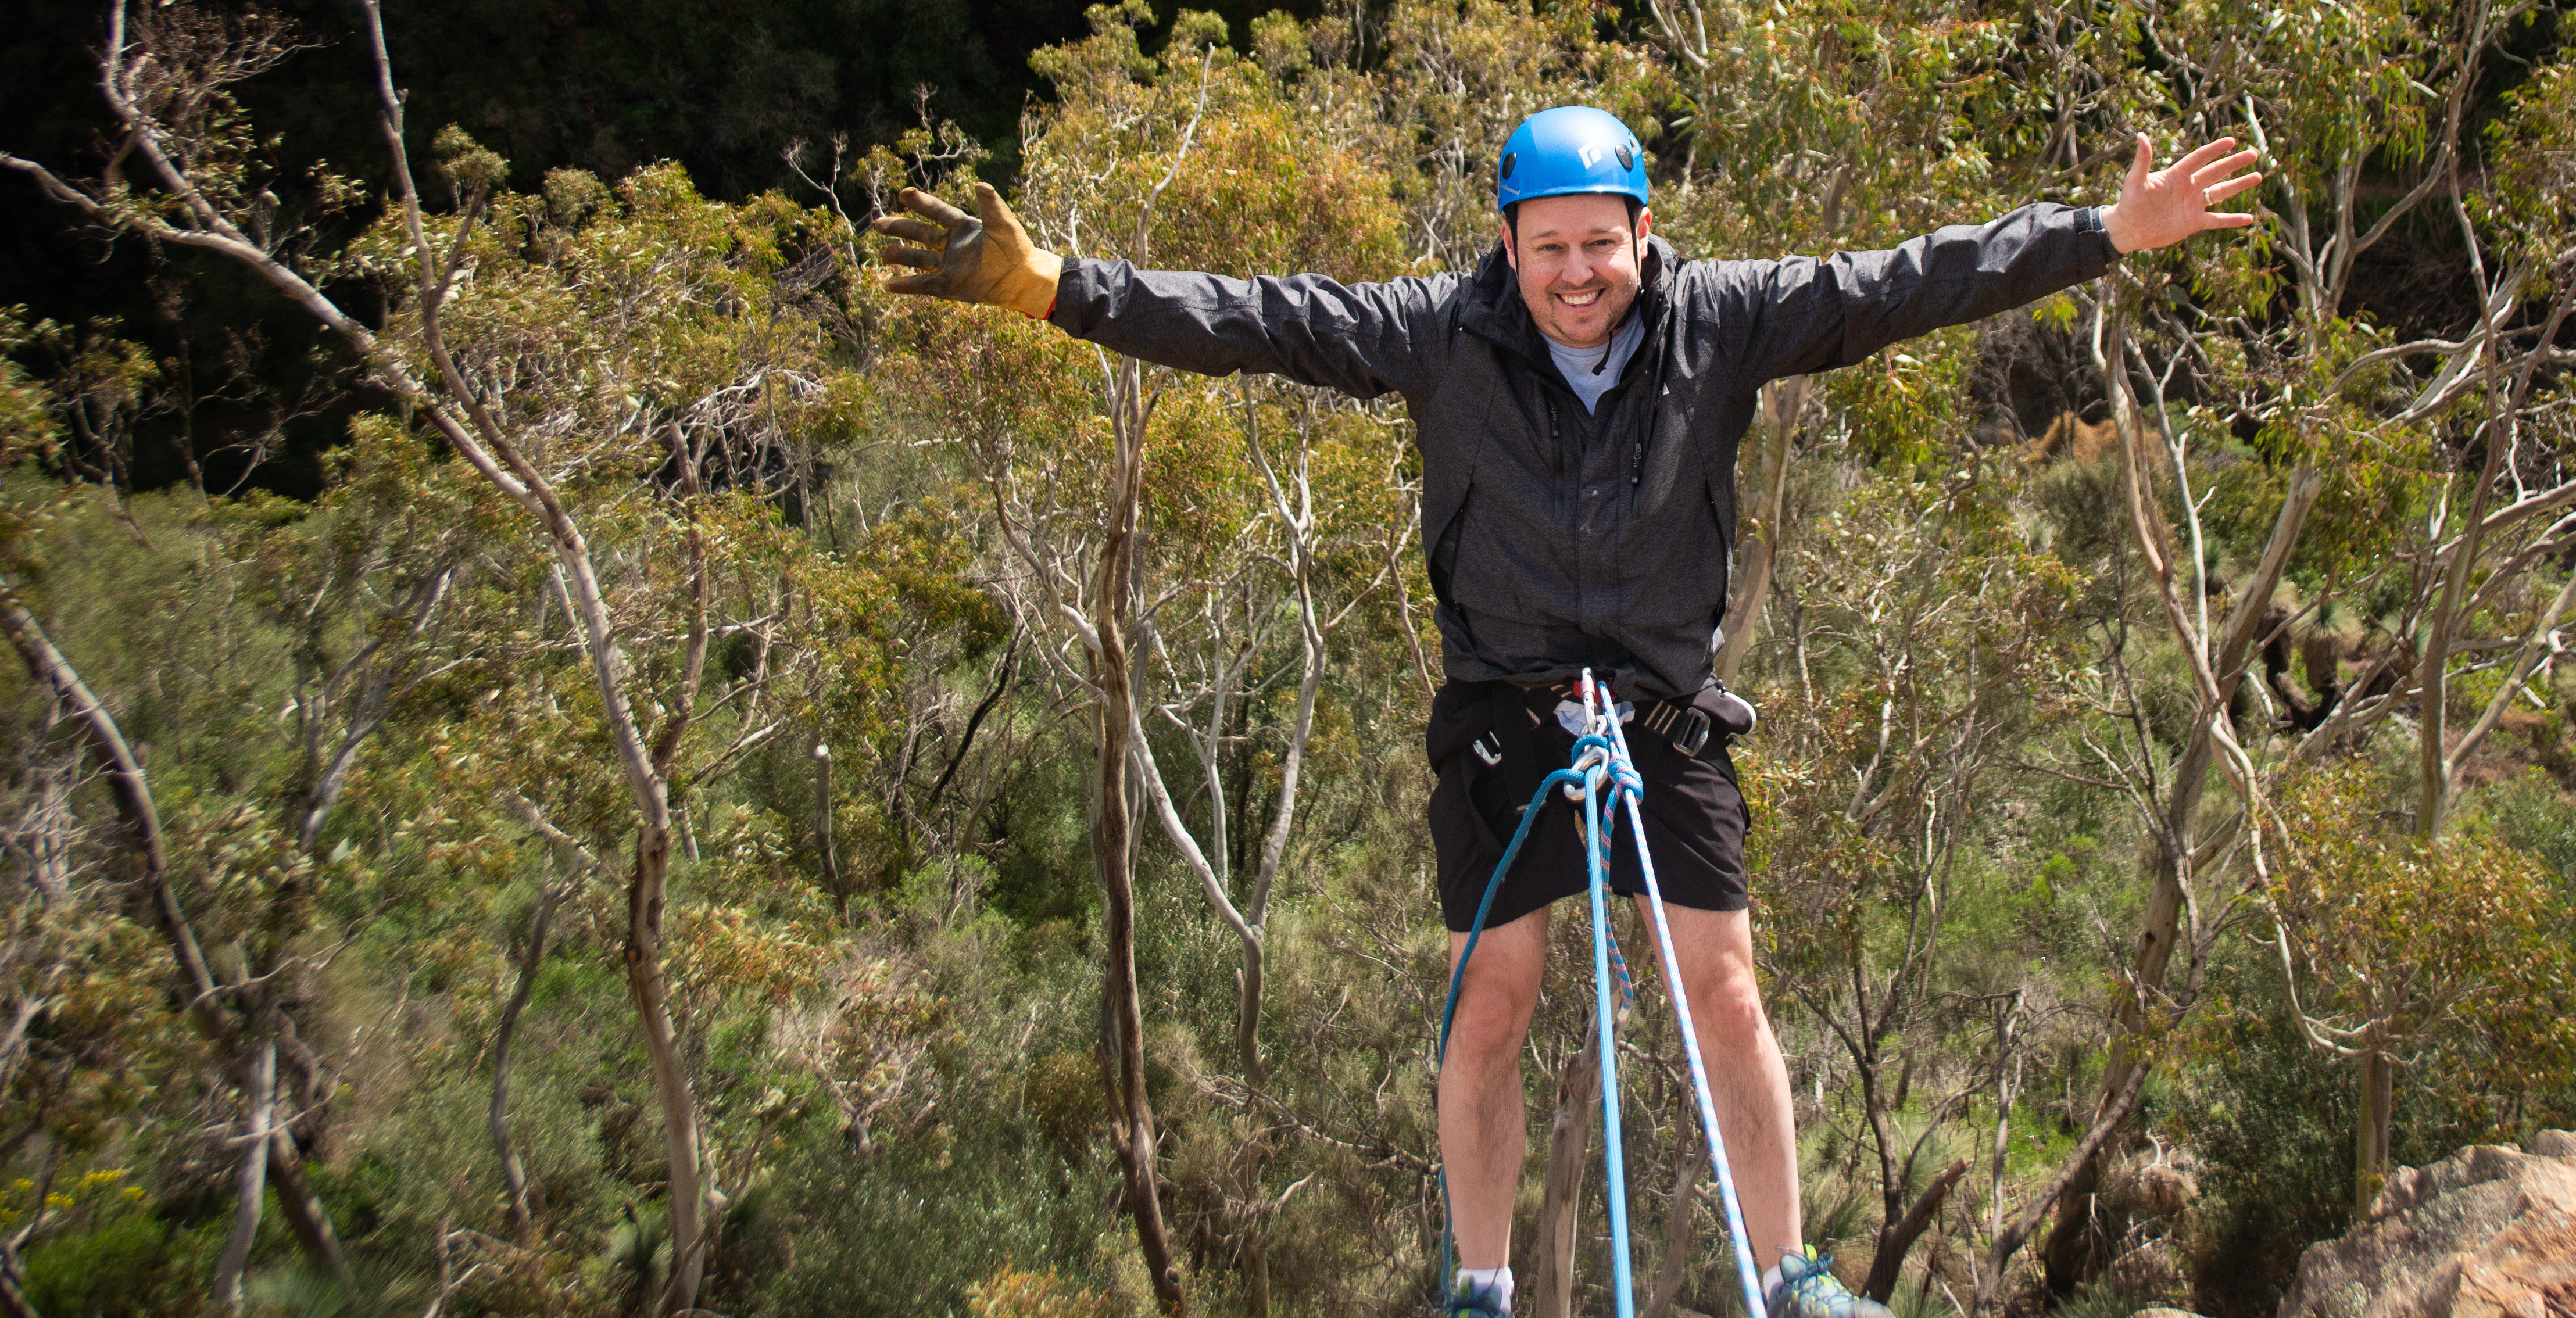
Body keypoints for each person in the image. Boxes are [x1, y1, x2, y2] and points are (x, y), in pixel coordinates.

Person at [878, 107, 2262, 1317]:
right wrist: (1058, 290)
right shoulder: (1439, 336)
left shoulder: (1723, 320)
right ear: (1508, 241)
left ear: (1645, 234)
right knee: (1496, 997)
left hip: (1662, 713)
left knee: (1725, 990)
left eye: (1601, 244)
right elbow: (1256, 319)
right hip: (1505, 707)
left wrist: (2102, 232)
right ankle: (1481, 1288)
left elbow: (1906, 282)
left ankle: (1790, 1276)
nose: (1578, 275)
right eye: (1550, 248)